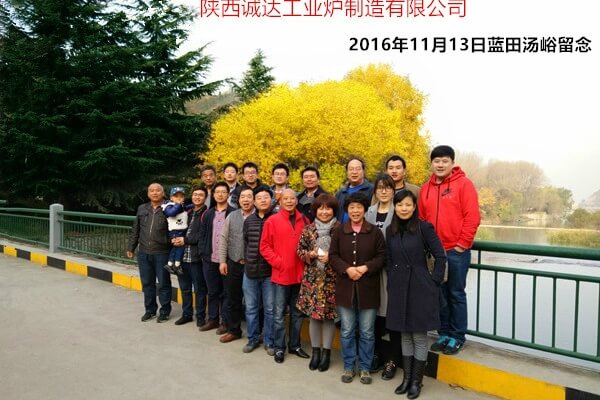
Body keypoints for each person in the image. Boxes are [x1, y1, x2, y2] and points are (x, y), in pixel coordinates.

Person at [418, 145, 480, 355]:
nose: (440, 165)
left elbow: (472, 216)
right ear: (431, 164)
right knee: (439, 294)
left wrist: (462, 244)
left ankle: (457, 336)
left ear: (452, 163)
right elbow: (422, 219)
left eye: (445, 161)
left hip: (455, 251)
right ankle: (443, 333)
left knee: (455, 293)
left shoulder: (463, 184)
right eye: (437, 161)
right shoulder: (425, 188)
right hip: (435, 252)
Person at [386, 190, 446, 399]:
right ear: (395, 207)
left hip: (420, 286)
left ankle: (416, 381)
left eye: (408, 205)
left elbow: (440, 256)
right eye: (400, 204)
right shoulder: (390, 230)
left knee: (419, 336)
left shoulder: (424, 227)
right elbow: (389, 258)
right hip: (398, 286)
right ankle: (406, 378)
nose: (404, 208)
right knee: (404, 334)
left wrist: (433, 281)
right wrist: (392, 279)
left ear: (414, 207)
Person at [330, 192, 386, 385]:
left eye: (359, 207)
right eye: (352, 207)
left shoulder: (374, 232)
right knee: (346, 330)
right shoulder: (339, 231)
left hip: (368, 289)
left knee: (367, 332)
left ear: (365, 210)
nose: (355, 211)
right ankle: (348, 366)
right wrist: (347, 269)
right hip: (345, 288)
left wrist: (365, 268)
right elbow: (333, 256)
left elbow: (381, 256)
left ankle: (365, 368)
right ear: (347, 210)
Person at [260, 188, 309, 364]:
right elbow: (264, 246)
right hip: (281, 275)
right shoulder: (272, 221)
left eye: (292, 198)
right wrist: (279, 262)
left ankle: (294, 345)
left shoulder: (305, 220)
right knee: (279, 314)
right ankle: (279, 347)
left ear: (296, 201)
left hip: (300, 275)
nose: (289, 201)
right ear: (280, 202)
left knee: (297, 313)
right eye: (285, 199)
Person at [296, 193, 340, 372]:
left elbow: (345, 253)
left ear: (334, 210)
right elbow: (299, 251)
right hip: (312, 280)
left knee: (329, 317)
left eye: (328, 208)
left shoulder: (340, 229)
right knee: (313, 317)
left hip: (332, 280)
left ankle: (326, 354)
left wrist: (332, 257)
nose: (324, 212)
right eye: (320, 208)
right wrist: (310, 254)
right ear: (315, 210)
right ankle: (315, 352)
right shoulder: (308, 229)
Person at [364, 173, 396, 379]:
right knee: (373, 316)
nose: (383, 191)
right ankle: (375, 354)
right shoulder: (368, 212)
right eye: (380, 188)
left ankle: (392, 360)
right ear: (375, 191)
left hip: (391, 271)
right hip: (371, 271)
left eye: (388, 187)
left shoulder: (400, 210)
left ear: (393, 190)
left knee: (391, 316)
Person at [126, 183, 172, 323]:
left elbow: (176, 229)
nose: (155, 193)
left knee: (163, 283)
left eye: (157, 190)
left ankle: (164, 311)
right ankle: (150, 310)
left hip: (162, 252)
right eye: (151, 191)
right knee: (147, 283)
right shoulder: (142, 208)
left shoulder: (169, 208)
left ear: (163, 193)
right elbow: (136, 229)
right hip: (144, 252)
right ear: (148, 193)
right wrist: (131, 247)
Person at [218, 185, 255, 343]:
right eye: (242, 197)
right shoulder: (232, 216)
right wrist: (222, 261)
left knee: (254, 302)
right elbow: (224, 239)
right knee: (233, 298)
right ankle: (234, 330)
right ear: (238, 200)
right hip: (234, 262)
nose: (246, 200)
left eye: (249, 196)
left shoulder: (260, 216)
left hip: (253, 265)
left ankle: (255, 333)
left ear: (254, 199)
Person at [198, 181, 235, 333]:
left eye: (223, 192)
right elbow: (202, 235)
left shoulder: (233, 213)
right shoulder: (208, 213)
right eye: (217, 192)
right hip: (209, 259)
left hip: (227, 260)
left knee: (226, 292)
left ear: (228, 194)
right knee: (212, 291)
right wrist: (203, 253)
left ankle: (225, 322)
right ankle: (212, 319)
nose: (220, 194)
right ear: (213, 195)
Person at [242, 185, 276, 354]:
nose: (263, 200)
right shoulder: (249, 221)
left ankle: (269, 341)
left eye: (266, 197)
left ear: (271, 200)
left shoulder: (276, 219)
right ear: (254, 202)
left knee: (270, 309)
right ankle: (252, 339)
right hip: (250, 272)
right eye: (259, 198)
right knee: (251, 308)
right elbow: (246, 243)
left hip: (270, 273)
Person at [171, 186, 208, 326]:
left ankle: (200, 316)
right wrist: (173, 238)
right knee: (185, 288)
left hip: (196, 258)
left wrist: (185, 240)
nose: (197, 197)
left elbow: (203, 235)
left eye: (200, 195)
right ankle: (186, 314)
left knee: (199, 289)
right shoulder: (187, 211)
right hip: (181, 257)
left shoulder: (207, 214)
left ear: (205, 198)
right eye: (195, 194)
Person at [335, 157, 374, 223]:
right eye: (351, 169)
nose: (354, 172)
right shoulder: (340, 193)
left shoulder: (372, 190)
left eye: (358, 169)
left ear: (363, 171)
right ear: (347, 172)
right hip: (342, 228)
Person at [161, 186, 189, 275]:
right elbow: (171, 213)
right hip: (175, 231)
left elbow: (186, 208)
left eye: (181, 196)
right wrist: (178, 204)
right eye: (176, 196)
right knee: (180, 247)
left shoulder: (181, 206)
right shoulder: (168, 206)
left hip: (181, 230)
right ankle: (177, 265)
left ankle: (170, 264)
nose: (179, 198)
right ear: (171, 198)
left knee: (176, 248)